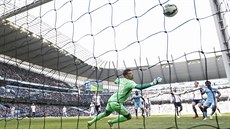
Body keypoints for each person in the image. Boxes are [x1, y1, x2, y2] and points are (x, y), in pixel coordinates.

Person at [87, 69, 162, 129]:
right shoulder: (130, 82)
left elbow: (116, 81)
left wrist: (119, 78)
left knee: (105, 114)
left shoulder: (121, 80)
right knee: (128, 117)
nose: (132, 74)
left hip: (111, 100)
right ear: (126, 75)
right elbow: (139, 87)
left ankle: (91, 122)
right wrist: (152, 83)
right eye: (130, 73)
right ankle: (111, 122)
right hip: (116, 102)